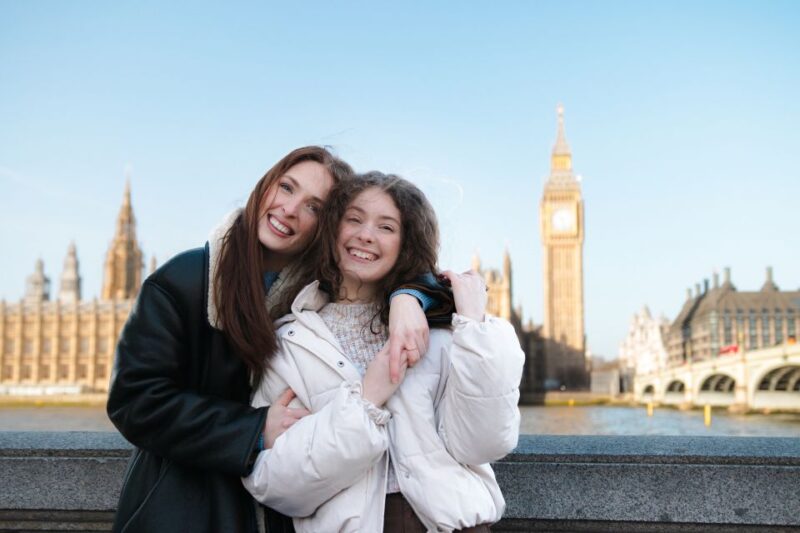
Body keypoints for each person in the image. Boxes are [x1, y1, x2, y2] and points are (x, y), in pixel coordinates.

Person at [106, 147, 441, 533]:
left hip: (285, 511)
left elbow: (418, 266)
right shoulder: (185, 280)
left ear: (328, 224)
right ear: (265, 186)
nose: (289, 209)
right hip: (191, 504)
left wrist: (409, 297)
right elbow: (134, 401)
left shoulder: (323, 289)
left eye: (313, 206)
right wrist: (253, 428)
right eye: (286, 187)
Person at [243, 171, 524, 532]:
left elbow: (484, 444)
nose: (366, 235)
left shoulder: (441, 331)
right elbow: (275, 483)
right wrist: (366, 402)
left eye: (387, 227)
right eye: (354, 220)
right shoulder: (289, 344)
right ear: (332, 230)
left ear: (406, 243)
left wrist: (477, 330)